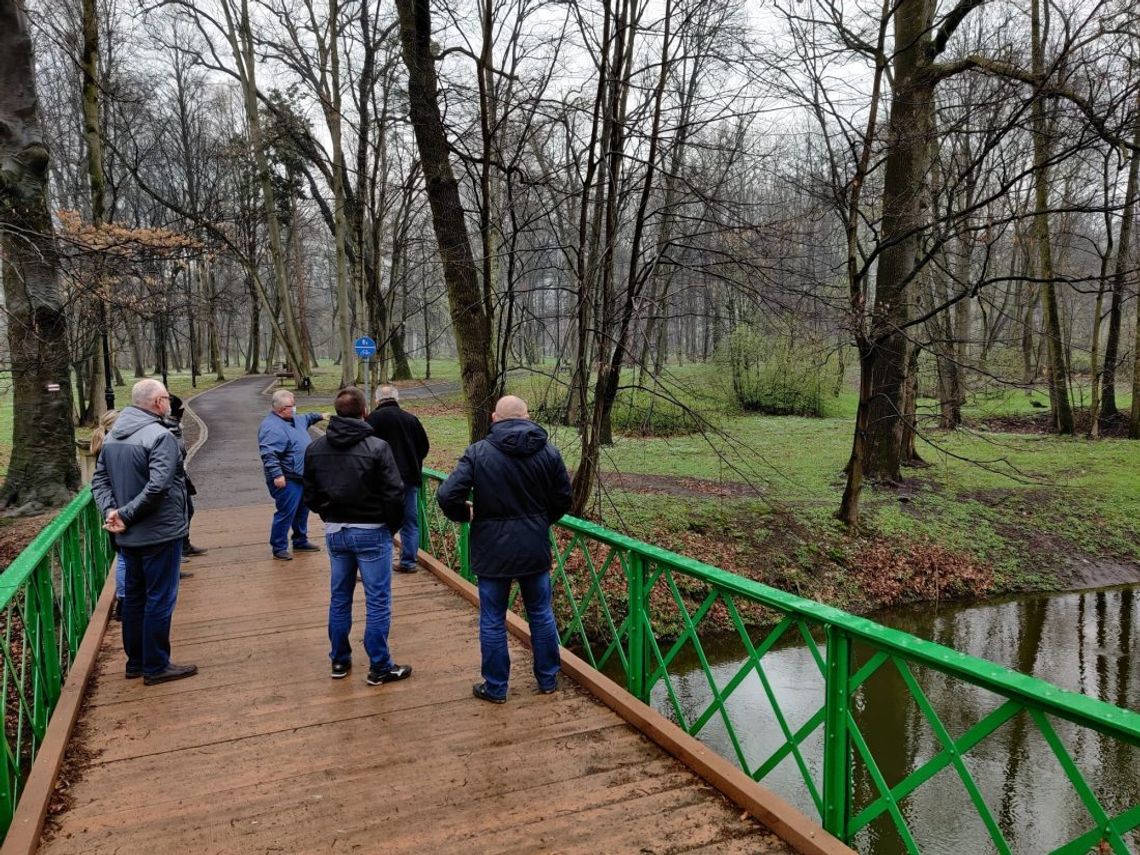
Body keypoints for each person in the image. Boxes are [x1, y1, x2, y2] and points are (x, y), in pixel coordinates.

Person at [436, 395, 572, 704]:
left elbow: (447, 495)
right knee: (541, 613)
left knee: (493, 619)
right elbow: (563, 498)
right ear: (527, 417)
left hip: (492, 550)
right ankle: (548, 680)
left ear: (495, 418)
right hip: (533, 549)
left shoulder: (478, 452)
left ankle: (496, 687)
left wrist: (465, 514)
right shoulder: (549, 453)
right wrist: (539, 521)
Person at [303, 387, 413, 686]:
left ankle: (339, 660)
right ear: (365, 412)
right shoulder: (377, 447)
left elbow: (309, 494)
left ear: (336, 412)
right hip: (372, 531)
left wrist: (328, 514)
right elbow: (394, 493)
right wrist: (389, 527)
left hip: (336, 532)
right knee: (377, 600)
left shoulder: (315, 448)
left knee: (340, 598)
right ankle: (380, 666)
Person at [91, 379, 197, 685]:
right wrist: (122, 513)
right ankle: (156, 665)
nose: (167, 403)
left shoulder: (112, 437)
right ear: (157, 403)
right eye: (165, 398)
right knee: (160, 598)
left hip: (127, 533)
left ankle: (135, 662)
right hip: (159, 532)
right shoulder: (159, 436)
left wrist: (111, 512)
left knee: (135, 598)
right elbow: (158, 487)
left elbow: (99, 482)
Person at [366, 385, 430, 573]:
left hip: (382, 481)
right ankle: (408, 562)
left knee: (380, 521)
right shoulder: (411, 419)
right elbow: (424, 447)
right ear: (397, 398)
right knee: (410, 523)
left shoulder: (371, 420)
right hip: (409, 479)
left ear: (377, 400)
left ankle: (377, 562)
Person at [258, 388, 325, 560]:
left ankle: (300, 540)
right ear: (281, 409)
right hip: (286, 478)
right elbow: (269, 454)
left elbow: (308, 417)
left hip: (302, 476)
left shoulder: (295, 419)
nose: (295, 408)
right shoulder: (271, 427)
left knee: (303, 510)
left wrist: (321, 415)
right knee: (286, 512)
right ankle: (279, 546)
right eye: (292, 405)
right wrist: (277, 475)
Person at [91, 409, 128, 622]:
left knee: (122, 555)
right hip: (118, 508)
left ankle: (124, 599)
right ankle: (124, 601)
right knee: (124, 556)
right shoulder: (113, 448)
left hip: (111, 508)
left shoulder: (102, 446)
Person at [166, 394, 206, 560]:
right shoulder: (165, 429)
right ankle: (175, 553)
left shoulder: (175, 427)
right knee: (176, 516)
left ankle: (184, 545)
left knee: (187, 510)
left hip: (180, 477)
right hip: (170, 480)